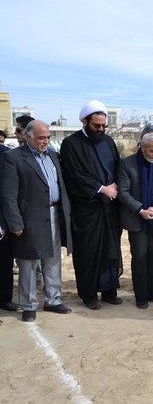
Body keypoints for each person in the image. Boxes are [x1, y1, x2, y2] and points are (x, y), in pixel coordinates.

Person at [0, 120, 73, 321]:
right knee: (28, 262)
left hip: (54, 214)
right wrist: (15, 223)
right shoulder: (13, 158)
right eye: (41, 138)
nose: (46, 141)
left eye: (48, 138)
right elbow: (8, 195)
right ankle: (28, 305)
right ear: (28, 136)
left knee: (52, 259)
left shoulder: (53, 156)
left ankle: (53, 300)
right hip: (29, 219)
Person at [60, 100, 124, 310]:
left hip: (110, 206)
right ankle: (89, 295)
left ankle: (109, 291)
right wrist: (100, 188)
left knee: (110, 249)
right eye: (97, 125)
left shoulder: (108, 141)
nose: (101, 129)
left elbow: (117, 166)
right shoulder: (71, 144)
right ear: (85, 121)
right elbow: (74, 175)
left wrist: (115, 185)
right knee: (89, 252)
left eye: (104, 126)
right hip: (88, 209)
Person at [118, 132, 153, 309]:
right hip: (137, 219)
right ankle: (141, 296)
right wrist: (140, 209)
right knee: (140, 258)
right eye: (151, 151)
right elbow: (123, 193)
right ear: (142, 147)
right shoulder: (127, 164)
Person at [0, 139, 17, 312]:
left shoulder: (5, 155)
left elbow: (7, 192)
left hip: (1, 223)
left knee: (4, 263)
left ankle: (4, 299)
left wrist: (3, 222)